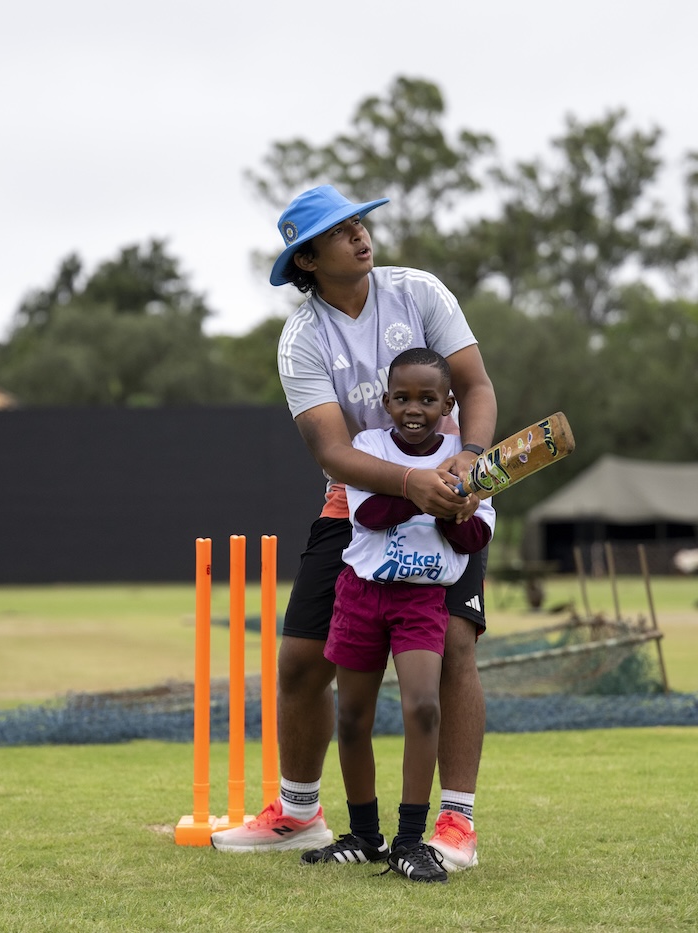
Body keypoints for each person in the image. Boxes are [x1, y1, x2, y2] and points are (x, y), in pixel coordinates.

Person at [212, 185, 498, 874]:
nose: (360, 236)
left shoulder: (419, 292)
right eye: (340, 233)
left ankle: (455, 822)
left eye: (359, 224)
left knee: (455, 647)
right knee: (302, 662)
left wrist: (466, 458)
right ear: (306, 260)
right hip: (357, 507)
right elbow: (330, 452)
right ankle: (300, 812)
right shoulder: (302, 338)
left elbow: (477, 386)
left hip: (453, 499)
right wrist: (405, 482)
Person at [301, 348, 494, 882]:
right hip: (362, 593)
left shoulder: (467, 460)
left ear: (447, 404)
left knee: (424, 707)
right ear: (386, 402)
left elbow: (475, 536)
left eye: (428, 399)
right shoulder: (369, 446)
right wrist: (429, 492)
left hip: (422, 600)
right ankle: (365, 834)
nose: (414, 408)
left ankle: (410, 842)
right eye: (403, 398)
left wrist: (459, 509)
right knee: (354, 717)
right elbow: (371, 512)